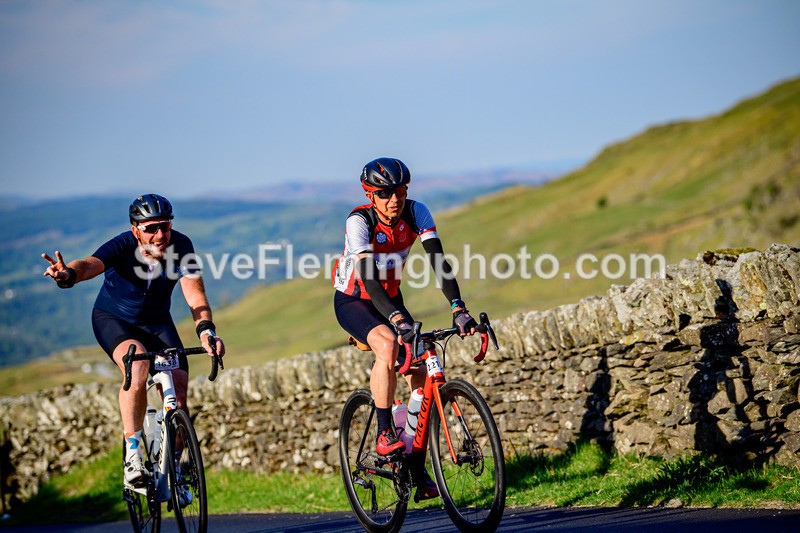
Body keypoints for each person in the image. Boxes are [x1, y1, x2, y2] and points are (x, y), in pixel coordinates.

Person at [41, 193, 225, 488]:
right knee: (137, 367)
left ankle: (174, 468)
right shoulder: (122, 245)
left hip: (157, 322)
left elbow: (194, 292)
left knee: (178, 385)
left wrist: (206, 330)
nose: (160, 234)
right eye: (151, 228)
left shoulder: (181, 246)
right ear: (135, 230)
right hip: (115, 320)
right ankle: (133, 456)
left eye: (164, 226)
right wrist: (69, 274)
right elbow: (89, 264)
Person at [333, 157, 477, 501]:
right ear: (371, 195)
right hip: (355, 300)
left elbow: (439, 264)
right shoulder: (360, 221)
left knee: (421, 364)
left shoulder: (417, 212)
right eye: (384, 193)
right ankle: (384, 433)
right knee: (387, 345)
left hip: (392, 299)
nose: (394, 198)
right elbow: (368, 277)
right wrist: (397, 321)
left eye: (399, 191)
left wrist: (459, 308)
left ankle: (414, 464)